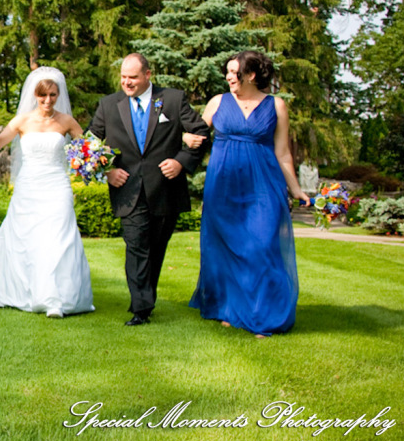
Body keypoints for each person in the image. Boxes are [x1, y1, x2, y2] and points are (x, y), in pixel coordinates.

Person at [186, 50, 309, 338]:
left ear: (251, 75)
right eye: (227, 71)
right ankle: (231, 309)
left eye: (234, 71)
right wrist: (185, 137)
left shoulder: (276, 105)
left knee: (263, 246)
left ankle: (265, 317)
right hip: (223, 185)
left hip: (264, 185)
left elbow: (283, 152)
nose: (228, 76)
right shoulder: (218, 102)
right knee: (226, 248)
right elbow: (194, 134)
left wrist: (295, 189)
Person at [0, 67, 94, 318]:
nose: (48, 100)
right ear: (35, 95)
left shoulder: (66, 121)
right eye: (43, 95)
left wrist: (94, 160)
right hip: (29, 186)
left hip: (57, 185)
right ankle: (29, 292)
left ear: (58, 95)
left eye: (52, 95)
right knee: (27, 238)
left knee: (60, 237)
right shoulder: (21, 121)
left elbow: (88, 148)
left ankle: (58, 298)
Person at [89, 53, 208, 326]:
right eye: (123, 77)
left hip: (165, 189)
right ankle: (141, 308)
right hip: (128, 190)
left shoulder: (173, 100)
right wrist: (106, 172)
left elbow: (201, 133)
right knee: (136, 246)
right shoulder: (109, 105)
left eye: (132, 77)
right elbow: (88, 144)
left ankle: (146, 298)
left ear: (147, 75)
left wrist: (181, 162)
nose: (126, 82)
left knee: (155, 248)